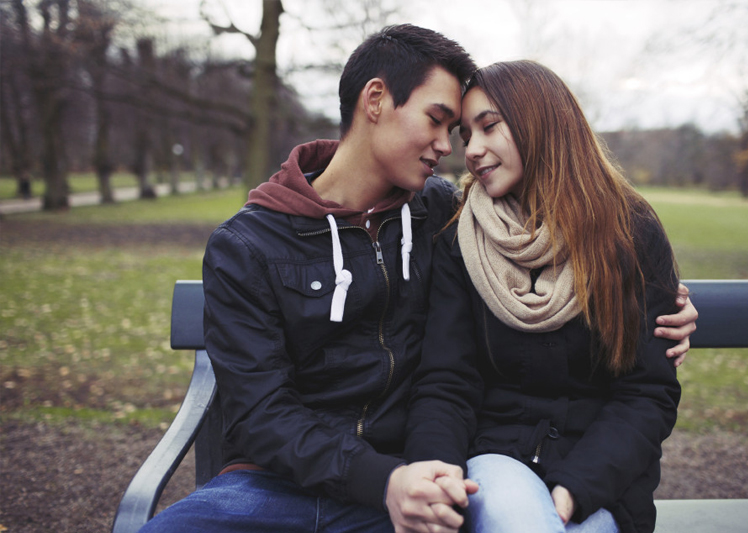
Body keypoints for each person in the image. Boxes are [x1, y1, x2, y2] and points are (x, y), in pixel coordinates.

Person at [140, 26, 696, 533]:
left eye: (463, 129)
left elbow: (558, 244)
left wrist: (668, 307)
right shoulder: (247, 245)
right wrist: (386, 481)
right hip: (281, 485)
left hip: (415, 483)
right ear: (376, 100)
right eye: (438, 121)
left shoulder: (442, 216)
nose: (453, 147)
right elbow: (262, 413)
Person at [405, 60, 684, 533]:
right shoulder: (461, 236)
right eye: (465, 135)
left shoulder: (631, 232)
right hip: (495, 462)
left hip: (600, 478)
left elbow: (646, 393)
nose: (472, 150)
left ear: (540, 121)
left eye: (489, 127)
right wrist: (438, 472)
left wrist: (573, 488)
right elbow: (447, 381)